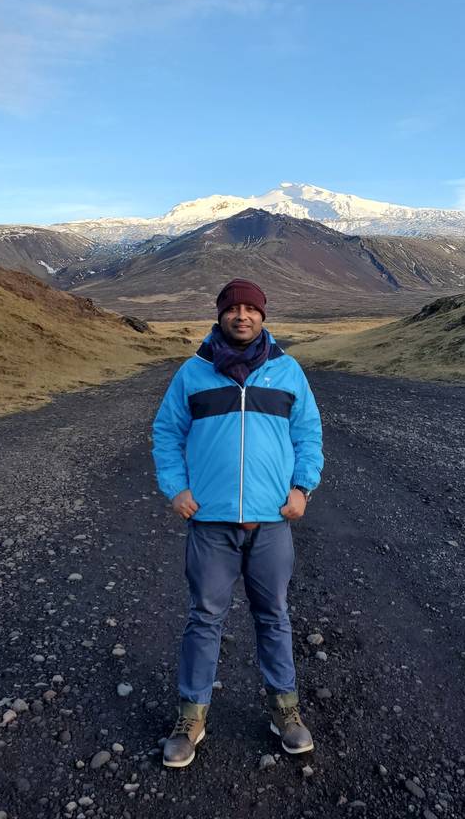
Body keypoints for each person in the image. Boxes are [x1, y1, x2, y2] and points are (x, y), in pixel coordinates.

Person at [151, 277, 324, 768]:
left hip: (272, 521)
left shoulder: (287, 372)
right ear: (220, 316)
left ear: (263, 316)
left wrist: (301, 487)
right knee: (204, 618)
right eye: (233, 309)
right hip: (210, 523)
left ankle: (285, 713)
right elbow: (166, 432)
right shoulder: (193, 372)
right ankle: (191, 717)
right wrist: (176, 488)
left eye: (251, 309)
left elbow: (309, 434)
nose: (242, 316)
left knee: (274, 616)